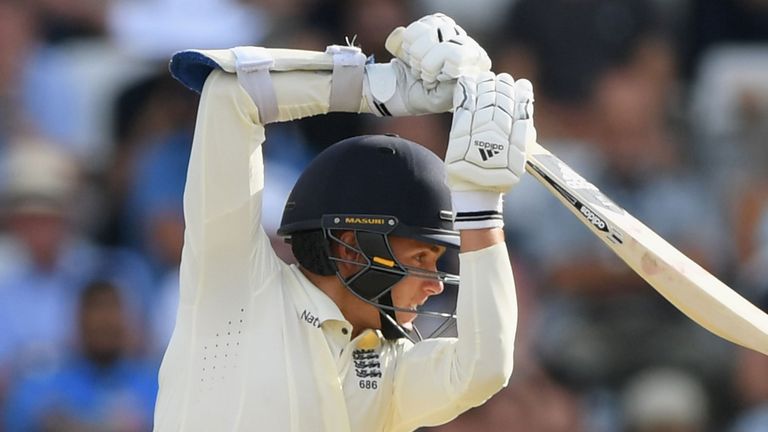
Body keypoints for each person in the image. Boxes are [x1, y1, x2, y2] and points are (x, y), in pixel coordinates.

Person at [153, 13, 535, 431]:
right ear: (352, 246)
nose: (437, 283)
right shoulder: (236, 290)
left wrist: (482, 202)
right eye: (422, 257)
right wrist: (381, 87)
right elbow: (230, 94)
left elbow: (485, 367)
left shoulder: (392, 371)